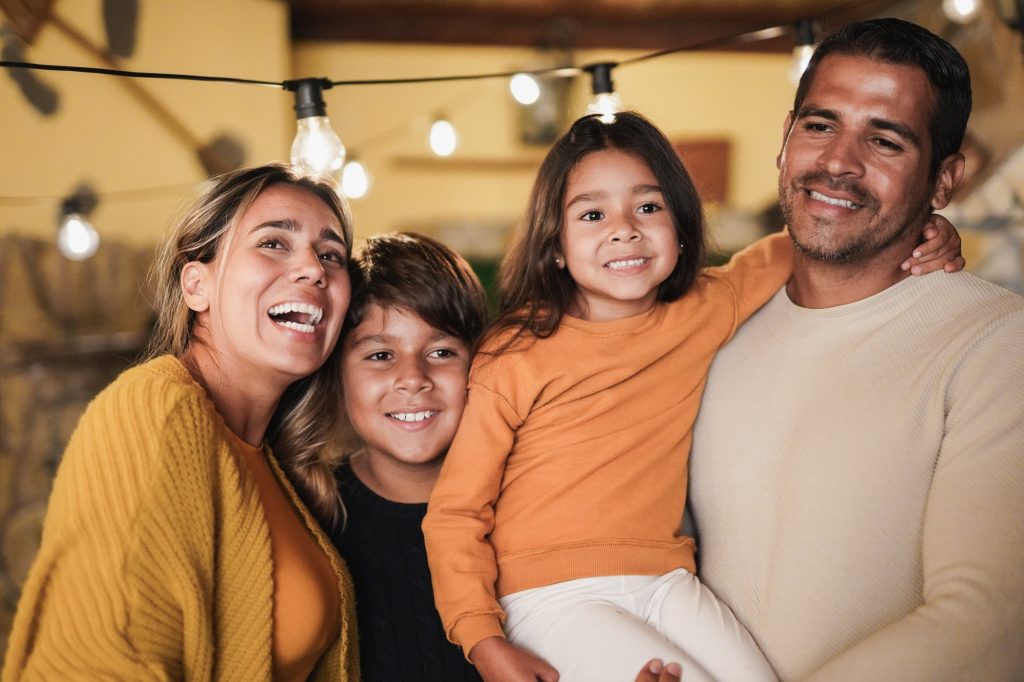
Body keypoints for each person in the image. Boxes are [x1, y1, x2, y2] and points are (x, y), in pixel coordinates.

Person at [422, 111, 962, 682]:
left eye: (648, 207)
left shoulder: (709, 305)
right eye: (591, 214)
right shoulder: (516, 351)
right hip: (550, 596)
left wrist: (923, 228)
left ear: (680, 227)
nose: (624, 228)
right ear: (554, 245)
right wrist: (482, 639)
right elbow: (456, 512)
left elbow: (811, 243)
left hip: (667, 581)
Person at [688, 18, 1024, 682]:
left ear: (944, 181)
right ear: (784, 140)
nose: (839, 162)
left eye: (885, 140)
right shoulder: (713, 330)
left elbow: (989, 625)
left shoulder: (995, 343)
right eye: (820, 126)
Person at [3, 163, 360, 681]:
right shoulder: (158, 410)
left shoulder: (265, 458)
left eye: (331, 255)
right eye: (273, 243)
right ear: (197, 285)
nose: (314, 268)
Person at [327, 232, 488, 682]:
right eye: (381, 355)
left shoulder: (524, 504)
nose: (413, 378)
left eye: (441, 352)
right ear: (337, 374)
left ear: (481, 364)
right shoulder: (311, 514)